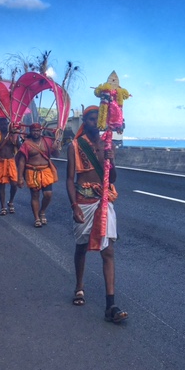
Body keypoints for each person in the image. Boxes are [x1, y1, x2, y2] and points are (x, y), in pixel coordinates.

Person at [66, 105, 128, 323]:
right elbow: (69, 179)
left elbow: (112, 179)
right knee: (81, 247)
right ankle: (79, 287)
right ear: (85, 120)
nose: (95, 123)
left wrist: (112, 160)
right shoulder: (75, 145)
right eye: (91, 119)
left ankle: (111, 305)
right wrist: (74, 206)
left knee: (108, 251)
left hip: (103, 201)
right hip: (83, 201)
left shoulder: (107, 145)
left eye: (97, 119)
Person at [16, 122, 60, 227]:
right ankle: (36, 218)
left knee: (48, 194)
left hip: (46, 171)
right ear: (30, 132)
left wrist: (56, 147)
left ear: (41, 131)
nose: (36, 133)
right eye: (34, 131)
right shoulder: (26, 144)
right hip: (32, 171)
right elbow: (21, 161)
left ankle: (42, 211)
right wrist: (20, 178)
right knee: (35, 195)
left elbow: (56, 155)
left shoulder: (48, 141)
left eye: (38, 131)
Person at [0, 117, 21, 215]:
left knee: (14, 184)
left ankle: (10, 202)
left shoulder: (13, 136)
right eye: (1, 124)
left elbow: (20, 147)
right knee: (1, 185)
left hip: (11, 161)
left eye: (5, 124)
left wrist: (16, 136)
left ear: (8, 124)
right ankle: (3, 207)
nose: (3, 126)